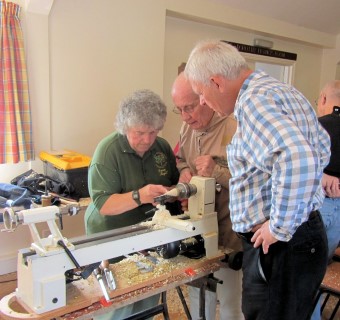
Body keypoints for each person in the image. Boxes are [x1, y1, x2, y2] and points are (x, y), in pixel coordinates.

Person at [184, 39, 331, 320]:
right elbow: (321, 147)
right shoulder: (279, 90)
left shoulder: (254, 102)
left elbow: (298, 157)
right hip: (295, 236)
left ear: (216, 82)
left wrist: (279, 226)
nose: (202, 101)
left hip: (284, 243)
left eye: (201, 93)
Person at [85, 89, 180, 320]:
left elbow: (173, 183)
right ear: (125, 126)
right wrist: (140, 196)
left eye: (153, 132)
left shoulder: (162, 147)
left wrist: (174, 191)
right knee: (118, 303)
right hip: (110, 233)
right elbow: (104, 204)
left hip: (148, 235)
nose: (147, 140)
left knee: (147, 294)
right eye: (140, 133)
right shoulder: (108, 151)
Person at [171, 72, 243, 320]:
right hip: (198, 230)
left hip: (231, 231)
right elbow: (179, 159)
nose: (185, 116)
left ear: (204, 98)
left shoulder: (234, 126)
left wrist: (217, 171)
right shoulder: (186, 127)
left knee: (232, 302)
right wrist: (185, 173)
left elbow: (256, 180)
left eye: (189, 107)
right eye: (178, 109)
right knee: (200, 300)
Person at [311, 80, 340, 320]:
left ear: (323, 99)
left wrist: (320, 175)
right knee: (318, 272)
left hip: (321, 208)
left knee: (307, 277)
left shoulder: (317, 128)